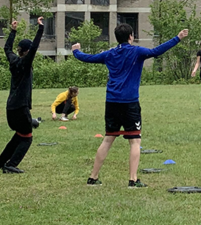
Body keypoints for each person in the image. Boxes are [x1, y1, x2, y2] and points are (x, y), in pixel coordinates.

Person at [72, 23, 188, 188]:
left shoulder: (110, 53)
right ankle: (133, 180)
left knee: (108, 139)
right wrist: (178, 38)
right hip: (129, 103)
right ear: (130, 36)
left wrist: (76, 51)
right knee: (135, 141)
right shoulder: (137, 51)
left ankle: (93, 177)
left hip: (111, 102)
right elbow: (156, 51)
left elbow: (88, 58)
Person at [0, 17, 44, 174]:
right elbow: (34, 47)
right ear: (27, 52)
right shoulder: (25, 64)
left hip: (11, 107)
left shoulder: (13, 60)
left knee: (19, 136)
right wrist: (40, 28)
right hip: (21, 107)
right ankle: (11, 164)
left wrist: (13, 31)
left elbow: (7, 48)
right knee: (27, 137)